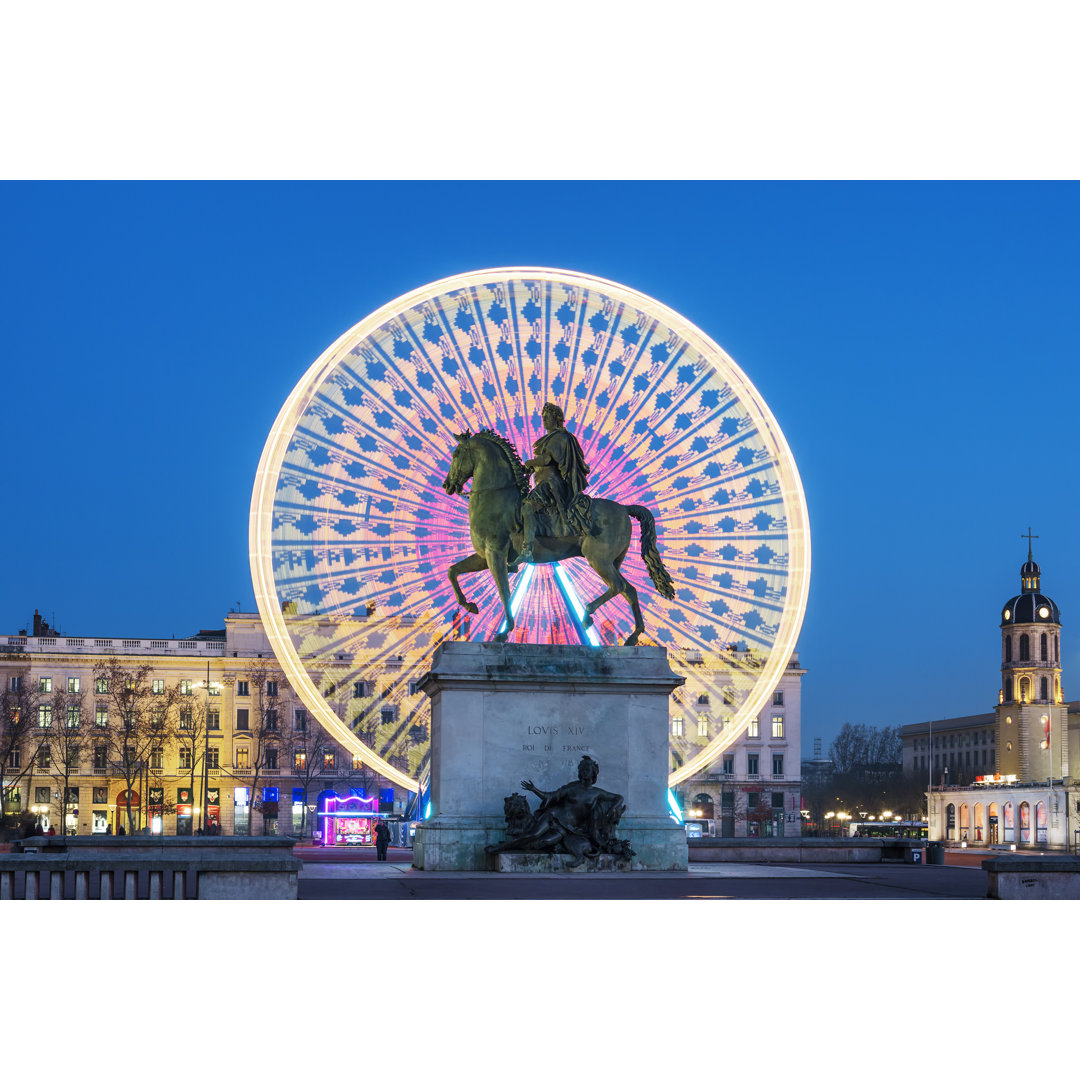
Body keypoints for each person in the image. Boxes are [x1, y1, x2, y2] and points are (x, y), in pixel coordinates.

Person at [512, 402, 592, 566]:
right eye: (543, 417)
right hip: (544, 482)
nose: (544, 420)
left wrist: (530, 462)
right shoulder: (551, 438)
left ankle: (527, 550)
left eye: (547, 417)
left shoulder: (559, 437)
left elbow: (547, 459)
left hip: (551, 484)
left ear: (556, 419)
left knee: (527, 507)